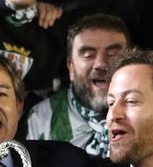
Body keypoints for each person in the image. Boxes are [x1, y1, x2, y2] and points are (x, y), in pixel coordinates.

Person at [26, 14, 130, 157]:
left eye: (113, 54)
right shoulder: (42, 117)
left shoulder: (150, 114)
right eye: (88, 54)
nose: (101, 64)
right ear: (71, 68)